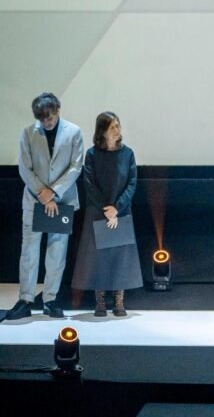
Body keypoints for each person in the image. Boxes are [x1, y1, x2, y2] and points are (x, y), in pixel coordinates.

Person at [5, 92, 84, 320]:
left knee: (57, 251)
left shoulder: (74, 131)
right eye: (42, 119)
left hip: (62, 200)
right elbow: (24, 167)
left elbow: (75, 166)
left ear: (58, 109)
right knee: (29, 252)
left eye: (49, 117)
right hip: (35, 199)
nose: (46, 122)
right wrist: (44, 195)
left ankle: (50, 299)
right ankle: (25, 299)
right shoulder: (28, 133)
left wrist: (54, 192)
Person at [72, 111, 143, 316]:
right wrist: (106, 208)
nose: (117, 130)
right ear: (102, 131)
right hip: (98, 211)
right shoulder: (92, 154)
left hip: (121, 211)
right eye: (113, 127)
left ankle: (119, 301)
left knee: (120, 256)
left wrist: (116, 208)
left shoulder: (127, 153)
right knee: (98, 257)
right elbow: (89, 184)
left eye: (118, 126)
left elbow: (132, 182)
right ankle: (100, 301)